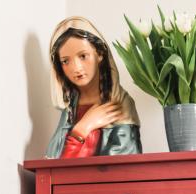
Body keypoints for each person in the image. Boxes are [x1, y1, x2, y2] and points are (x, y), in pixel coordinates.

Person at [45, 17, 142, 159]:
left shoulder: (119, 104)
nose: (76, 68)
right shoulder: (69, 111)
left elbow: (121, 168)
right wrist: (83, 127)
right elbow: (55, 168)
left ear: (100, 54)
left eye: (83, 56)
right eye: (66, 61)